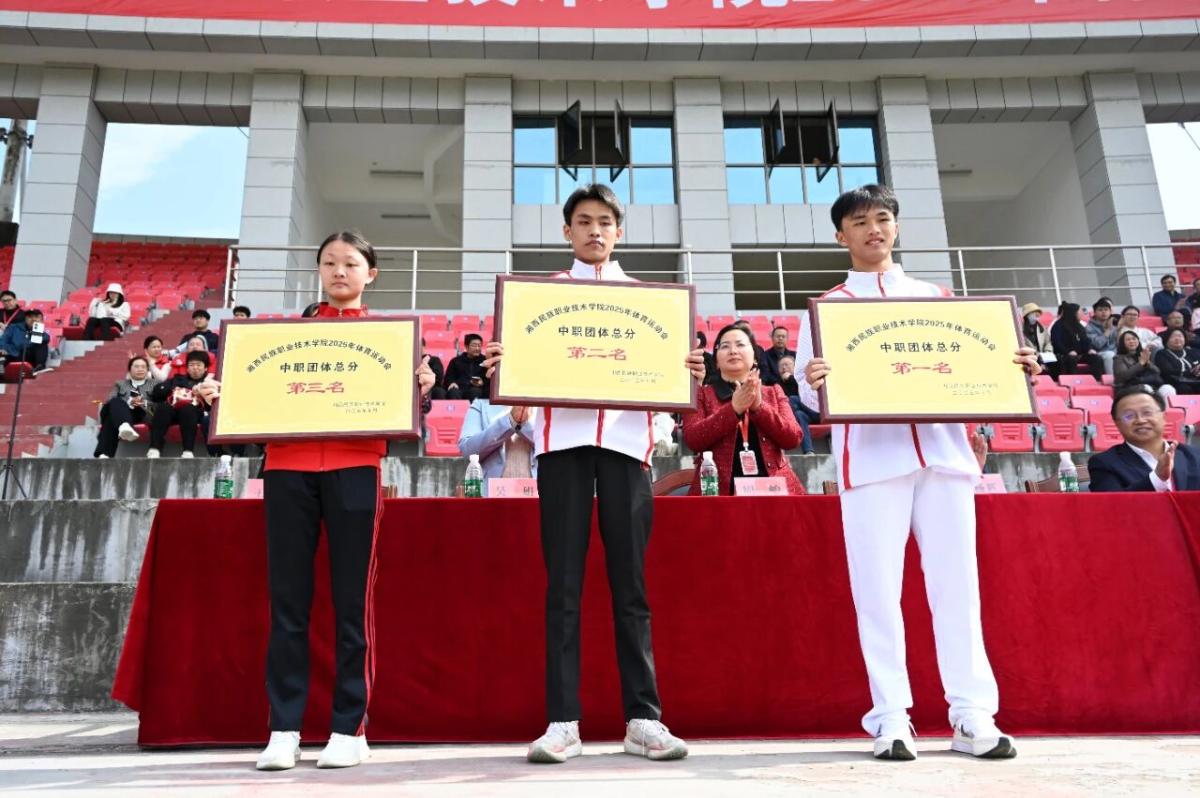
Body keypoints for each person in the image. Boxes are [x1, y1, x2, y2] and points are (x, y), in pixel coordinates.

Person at [800, 184, 1039, 761]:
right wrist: (813, 382)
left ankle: (972, 714)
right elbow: (812, 399)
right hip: (872, 462)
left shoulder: (938, 298)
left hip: (944, 456)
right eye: (860, 221)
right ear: (841, 235)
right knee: (877, 593)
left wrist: (1015, 371)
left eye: (883, 218)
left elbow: (981, 371)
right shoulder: (827, 308)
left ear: (897, 227)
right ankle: (890, 716)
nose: (874, 229)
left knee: (958, 588)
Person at [194, 231, 436, 772]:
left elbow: (406, 418)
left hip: (356, 468)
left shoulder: (392, 342)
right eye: (329, 263)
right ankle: (284, 729)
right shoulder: (284, 340)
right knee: (288, 605)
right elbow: (254, 405)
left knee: (352, 605)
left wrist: (418, 389)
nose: (339, 271)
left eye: (350, 263)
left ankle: (349, 728)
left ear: (371, 273)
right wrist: (223, 398)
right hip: (287, 469)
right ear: (318, 271)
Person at [481, 185, 700, 765]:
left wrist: (687, 371)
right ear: (567, 231)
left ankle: (644, 719)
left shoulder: (652, 303)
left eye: (605, 222)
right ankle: (563, 722)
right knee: (564, 587)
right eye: (583, 221)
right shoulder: (536, 301)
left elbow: (672, 381)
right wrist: (508, 367)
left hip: (628, 448)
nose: (594, 231)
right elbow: (518, 371)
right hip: (563, 447)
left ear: (619, 232)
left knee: (631, 587)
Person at [681, 323, 804, 495]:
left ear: (755, 357)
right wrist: (733, 409)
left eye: (740, 345)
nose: (733, 351)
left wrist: (759, 408)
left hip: (774, 494)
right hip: (717, 495)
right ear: (716, 361)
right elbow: (693, 439)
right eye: (725, 346)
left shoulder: (773, 392)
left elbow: (793, 438)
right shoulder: (701, 394)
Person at [1089, 386, 1200, 492]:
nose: (1140, 420)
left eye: (1147, 413)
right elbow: (1113, 503)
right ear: (1117, 423)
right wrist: (1156, 479)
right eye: (1129, 416)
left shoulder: (1194, 455)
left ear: (1164, 417)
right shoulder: (1104, 463)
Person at [456, 399, 537, 493]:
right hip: (492, 494)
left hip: (536, 494)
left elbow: (551, 448)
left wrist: (522, 425)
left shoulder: (545, 406)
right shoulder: (481, 405)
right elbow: (468, 450)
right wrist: (510, 421)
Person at [146, 350, 211, 458]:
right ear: (187, 368)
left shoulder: (209, 383)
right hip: (174, 410)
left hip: (196, 413)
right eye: (191, 365)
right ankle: (154, 448)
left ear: (205, 368)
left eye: (198, 365)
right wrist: (171, 389)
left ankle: (188, 451)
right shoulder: (177, 379)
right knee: (163, 408)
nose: (195, 368)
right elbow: (156, 394)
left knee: (188, 409)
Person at [93, 355, 160, 458]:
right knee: (114, 403)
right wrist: (128, 403)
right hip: (123, 411)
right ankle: (124, 424)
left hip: (143, 413)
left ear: (148, 370)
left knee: (111, 418)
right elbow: (110, 401)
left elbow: (160, 404)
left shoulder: (155, 384)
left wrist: (143, 402)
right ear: (129, 370)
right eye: (136, 366)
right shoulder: (120, 384)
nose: (140, 369)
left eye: (143, 367)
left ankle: (104, 453)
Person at [1049, 302, 1104, 381]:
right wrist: (1068, 351)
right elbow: (1057, 343)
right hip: (1065, 354)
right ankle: (1072, 381)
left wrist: (1089, 349)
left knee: (1096, 358)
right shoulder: (1058, 326)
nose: (1082, 313)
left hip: (1080, 354)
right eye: (1079, 311)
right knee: (1071, 359)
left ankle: (1096, 380)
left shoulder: (1079, 326)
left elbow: (1086, 340)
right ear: (1073, 313)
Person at [1113, 330, 1173, 400]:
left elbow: (1157, 372)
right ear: (1122, 343)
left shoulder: (1143, 355)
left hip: (1149, 385)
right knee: (1147, 389)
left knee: (1168, 388)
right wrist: (1141, 363)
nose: (1131, 341)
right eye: (1128, 340)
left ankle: (1164, 407)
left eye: (1134, 339)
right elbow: (1123, 377)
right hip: (1128, 388)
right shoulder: (1118, 358)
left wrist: (1148, 363)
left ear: (1138, 341)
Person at [777, 355, 817, 455]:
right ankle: (808, 451)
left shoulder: (804, 377)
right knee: (799, 414)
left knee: (792, 399)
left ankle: (786, 422)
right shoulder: (778, 385)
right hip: (805, 415)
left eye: (787, 365)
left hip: (816, 410)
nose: (784, 368)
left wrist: (791, 378)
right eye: (781, 366)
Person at [1153, 329, 1200, 395]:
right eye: (1173, 337)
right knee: (1184, 388)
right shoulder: (1161, 354)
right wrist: (1191, 372)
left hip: (1196, 381)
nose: (1177, 339)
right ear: (1166, 340)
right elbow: (1168, 372)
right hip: (1175, 383)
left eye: (1180, 336)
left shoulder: (1193, 352)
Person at [444, 333, 488, 400]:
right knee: (453, 392)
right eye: (474, 345)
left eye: (479, 346)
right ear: (466, 347)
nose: (477, 348)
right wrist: (452, 383)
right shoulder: (455, 361)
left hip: (476, 389)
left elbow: (488, 379)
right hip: (459, 389)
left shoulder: (485, 361)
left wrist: (483, 382)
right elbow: (449, 377)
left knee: (475, 391)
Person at [1020, 302, 1056, 378]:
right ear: (1027, 315)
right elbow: (1021, 345)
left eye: (1037, 313)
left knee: (1056, 362)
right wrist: (1036, 354)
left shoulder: (1042, 328)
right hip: (1029, 356)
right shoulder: (1020, 328)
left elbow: (1048, 342)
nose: (1036, 315)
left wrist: (1047, 351)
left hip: (1043, 355)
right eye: (1033, 313)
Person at [1084, 300, 1118, 375]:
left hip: (1114, 352)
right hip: (1098, 353)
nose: (1103, 312)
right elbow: (1097, 344)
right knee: (1109, 355)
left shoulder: (1114, 326)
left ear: (1110, 312)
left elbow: (1119, 344)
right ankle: (1111, 379)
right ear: (1094, 312)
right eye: (1100, 310)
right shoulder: (1089, 327)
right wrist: (1108, 330)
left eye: (1106, 310)